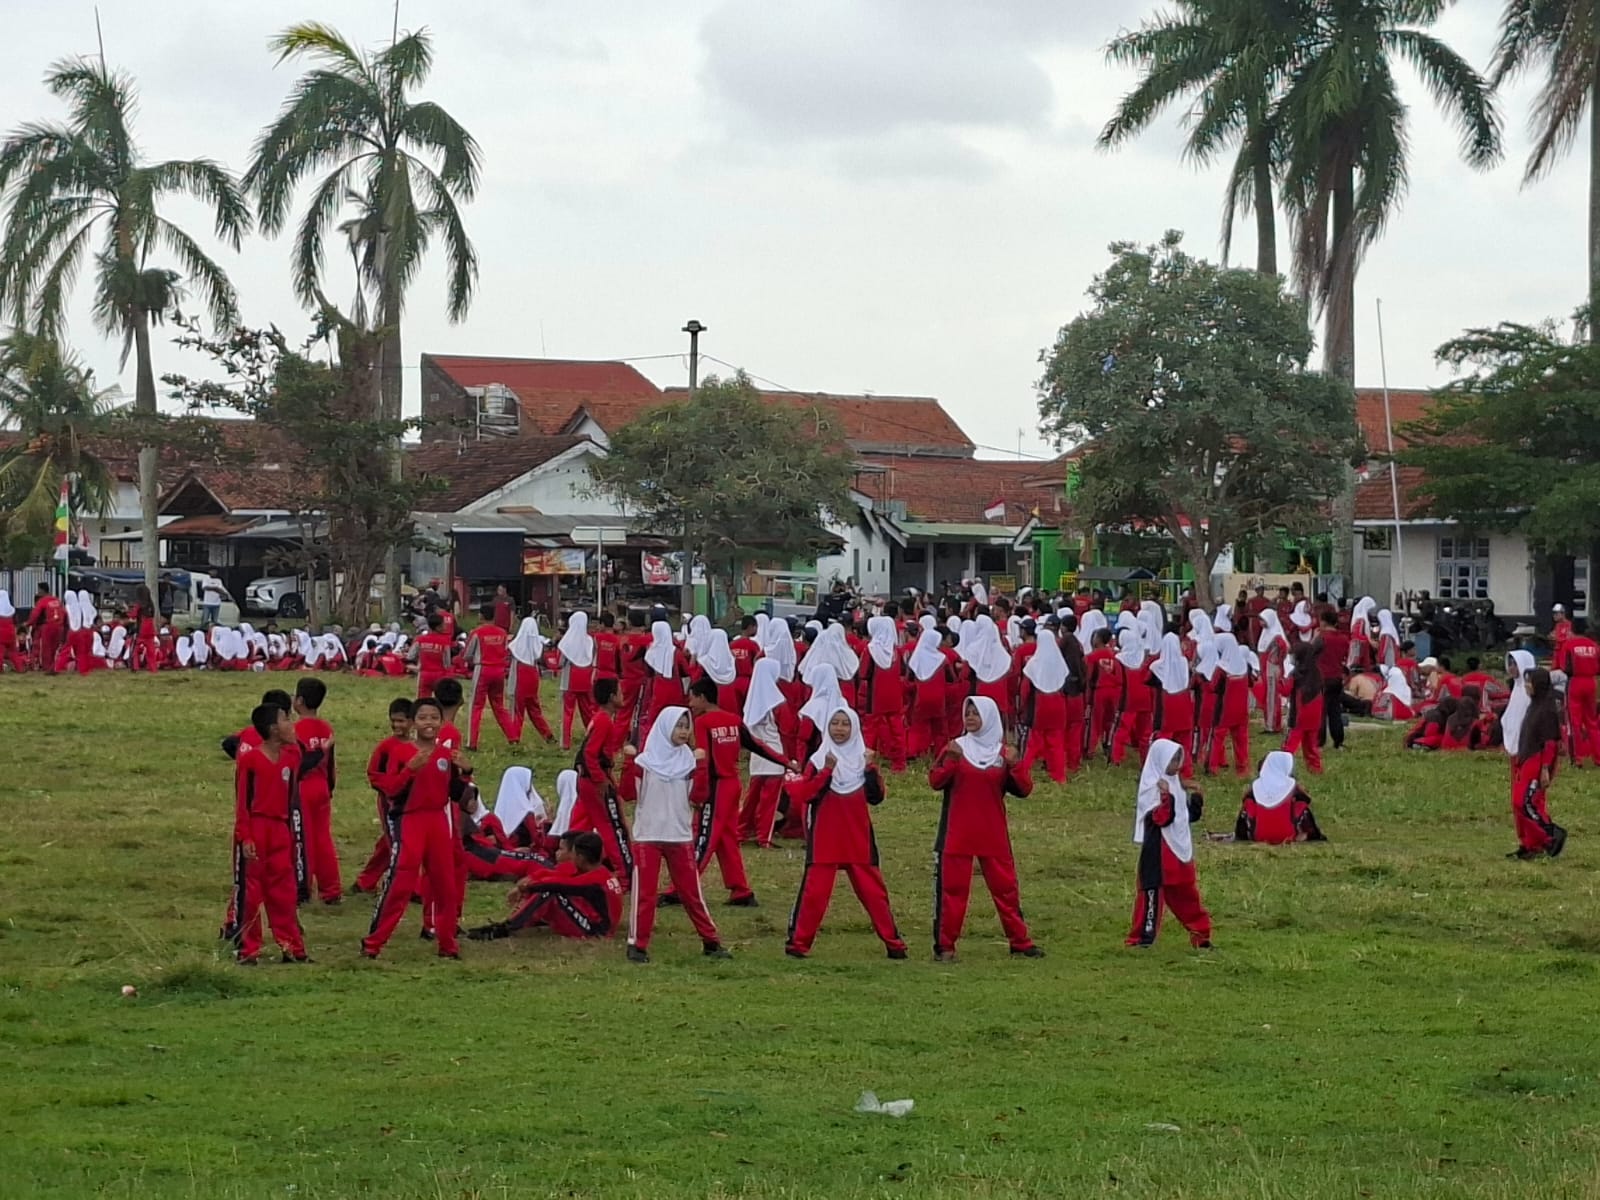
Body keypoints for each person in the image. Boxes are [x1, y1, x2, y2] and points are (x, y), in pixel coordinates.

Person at [784, 705, 908, 960]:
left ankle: (894, 944)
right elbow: (805, 795)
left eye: (845, 724)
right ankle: (798, 944)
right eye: (835, 724)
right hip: (825, 840)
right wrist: (828, 770)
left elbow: (876, 797)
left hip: (858, 839)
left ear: (854, 729)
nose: (839, 729)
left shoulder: (863, 760)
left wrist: (870, 768)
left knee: (875, 895)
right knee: (814, 896)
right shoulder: (819, 760)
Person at [928, 696, 1043, 962]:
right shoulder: (955, 748)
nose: (970, 718)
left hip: (993, 834)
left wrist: (1016, 764)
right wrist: (952, 761)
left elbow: (1024, 790)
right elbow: (935, 781)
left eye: (976, 714)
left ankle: (1020, 942)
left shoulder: (1003, 754)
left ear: (989, 718)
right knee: (953, 892)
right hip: (957, 834)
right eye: (967, 713)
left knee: (1006, 890)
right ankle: (945, 946)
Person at [621, 706, 732, 964]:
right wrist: (628, 762)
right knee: (645, 894)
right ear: (665, 727)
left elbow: (699, 797)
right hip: (648, 836)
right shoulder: (644, 763)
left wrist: (702, 765)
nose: (683, 731)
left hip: (679, 836)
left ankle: (710, 941)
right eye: (678, 726)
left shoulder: (689, 762)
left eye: (686, 726)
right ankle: (637, 944)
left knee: (692, 893)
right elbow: (628, 793)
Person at [361, 697, 463, 960]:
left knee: (445, 886)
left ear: (441, 722)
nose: (429, 723)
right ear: (413, 723)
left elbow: (454, 792)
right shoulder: (401, 752)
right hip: (410, 821)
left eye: (434, 718)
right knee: (400, 884)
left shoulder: (444, 754)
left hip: (438, 822)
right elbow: (392, 790)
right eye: (423, 718)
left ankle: (447, 944)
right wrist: (410, 769)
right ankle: (373, 943)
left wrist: (465, 770)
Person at [678, 677, 786, 906]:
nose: (690, 703)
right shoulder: (734, 720)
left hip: (715, 787)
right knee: (727, 839)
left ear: (703, 697)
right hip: (733, 785)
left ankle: (681, 887)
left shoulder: (703, 723)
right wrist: (787, 762)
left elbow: (703, 760)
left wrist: (698, 793)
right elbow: (757, 745)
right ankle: (741, 890)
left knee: (702, 838)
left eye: (692, 698)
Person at [220, 703, 310, 965]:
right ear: (273, 729)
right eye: (286, 720)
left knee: (284, 891)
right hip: (256, 827)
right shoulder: (251, 760)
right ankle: (249, 949)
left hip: (281, 829)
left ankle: (292, 947)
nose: (292, 724)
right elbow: (243, 802)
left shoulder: (291, 756)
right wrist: (245, 836)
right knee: (250, 893)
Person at [1127, 739, 1212, 949]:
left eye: (1178, 759)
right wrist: (1166, 795)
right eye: (1172, 760)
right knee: (1152, 896)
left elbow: (1185, 817)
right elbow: (1161, 818)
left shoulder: (1175, 784)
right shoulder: (1152, 787)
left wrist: (1197, 799)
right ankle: (1142, 939)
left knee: (1187, 896)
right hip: (1159, 852)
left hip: (1180, 852)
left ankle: (1201, 935)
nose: (1176, 765)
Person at [467, 830, 624, 941]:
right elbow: (556, 876)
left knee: (548, 892)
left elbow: (560, 884)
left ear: (581, 858)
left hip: (595, 932)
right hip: (599, 926)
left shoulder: (594, 879)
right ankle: (520, 920)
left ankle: (506, 928)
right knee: (547, 888)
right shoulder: (601, 873)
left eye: (574, 855)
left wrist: (527, 886)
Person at [572, 678, 632, 883]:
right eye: (620, 692)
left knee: (582, 823)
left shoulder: (599, 718)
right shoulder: (605, 720)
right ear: (612, 697)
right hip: (594, 780)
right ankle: (625, 875)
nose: (623, 695)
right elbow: (590, 753)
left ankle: (570, 865)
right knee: (613, 826)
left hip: (586, 778)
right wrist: (601, 780)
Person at [352, 697, 414, 895]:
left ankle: (365, 881)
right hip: (390, 803)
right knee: (397, 843)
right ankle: (407, 886)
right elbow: (373, 773)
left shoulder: (417, 746)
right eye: (393, 720)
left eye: (401, 721)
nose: (397, 725)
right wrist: (388, 790)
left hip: (412, 803)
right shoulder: (386, 747)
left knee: (390, 842)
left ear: (412, 721)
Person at [1506, 665, 1568, 861]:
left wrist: (1545, 770)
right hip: (1526, 758)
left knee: (1524, 802)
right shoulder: (1534, 705)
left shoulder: (1548, 710)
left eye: (1529, 682)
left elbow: (1550, 744)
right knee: (1519, 803)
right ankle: (1529, 844)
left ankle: (1550, 835)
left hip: (1537, 761)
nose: (1526, 686)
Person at [292, 676, 342, 905]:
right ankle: (331, 890)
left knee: (303, 839)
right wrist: (330, 787)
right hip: (322, 787)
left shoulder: (294, 730)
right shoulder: (326, 728)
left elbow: (295, 765)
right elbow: (331, 763)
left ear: (299, 701)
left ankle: (303, 888)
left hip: (302, 789)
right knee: (323, 839)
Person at [737, 658, 795, 847]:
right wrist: (789, 758)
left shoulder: (753, 699)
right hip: (775, 755)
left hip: (757, 755)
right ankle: (764, 837)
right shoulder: (777, 701)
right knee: (769, 800)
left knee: (751, 798)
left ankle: (741, 831)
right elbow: (786, 731)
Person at [1235, 751, 1325, 843]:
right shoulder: (1291, 784)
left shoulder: (1257, 784)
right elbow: (1307, 799)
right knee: (1300, 805)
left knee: (1248, 804)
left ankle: (1242, 835)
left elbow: (1245, 798)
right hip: (1288, 834)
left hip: (1258, 836)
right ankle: (1310, 834)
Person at [1020, 622, 1070, 783]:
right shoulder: (1060, 663)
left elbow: (1025, 689)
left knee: (1033, 742)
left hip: (1040, 706)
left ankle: (1023, 772)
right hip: (1058, 705)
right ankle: (1059, 776)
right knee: (1056, 743)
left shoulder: (1034, 664)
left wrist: (1022, 708)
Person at [859, 615, 908, 771]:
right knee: (897, 730)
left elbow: (863, 673)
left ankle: (867, 763)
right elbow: (902, 671)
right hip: (894, 696)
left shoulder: (870, 650)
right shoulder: (896, 651)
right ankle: (899, 764)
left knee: (870, 730)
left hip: (875, 697)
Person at [463, 615, 517, 750]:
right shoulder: (502, 633)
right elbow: (506, 651)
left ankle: (472, 743)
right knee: (499, 706)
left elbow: (467, 654)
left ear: (481, 616)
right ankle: (513, 737)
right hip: (499, 670)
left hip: (483, 669)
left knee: (476, 706)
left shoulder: (477, 632)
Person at [1150, 632, 1195, 779]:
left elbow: (1147, 679)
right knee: (1184, 742)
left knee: (1164, 740)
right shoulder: (1184, 662)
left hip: (1168, 704)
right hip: (1184, 702)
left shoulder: (1157, 666)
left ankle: (1159, 768)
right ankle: (1186, 770)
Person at [904, 626, 953, 761]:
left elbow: (908, 679)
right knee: (940, 729)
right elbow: (952, 678)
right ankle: (941, 753)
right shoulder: (943, 659)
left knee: (918, 727)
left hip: (920, 698)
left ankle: (914, 752)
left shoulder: (915, 658)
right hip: (939, 699)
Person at [1206, 633, 1251, 776]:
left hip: (1224, 709)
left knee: (1217, 738)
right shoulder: (1244, 664)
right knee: (1241, 739)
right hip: (1241, 709)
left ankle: (1212, 766)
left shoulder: (1222, 668)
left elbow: (1213, 687)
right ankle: (1242, 767)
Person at [507, 615, 555, 745]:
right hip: (533, 674)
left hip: (521, 675)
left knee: (517, 710)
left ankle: (514, 737)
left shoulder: (516, 645)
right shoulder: (537, 645)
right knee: (534, 709)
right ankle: (548, 734)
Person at [1555, 629, 1599, 766]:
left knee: (1575, 722)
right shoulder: (1594, 646)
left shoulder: (1569, 645)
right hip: (1591, 682)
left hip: (1575, 683)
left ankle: (1577, 758)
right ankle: (1598, 757)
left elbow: (1565, 668)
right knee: (1593, 722)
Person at [1110, 628, 1153, 766]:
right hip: (1146, 700)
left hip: (1128, 699)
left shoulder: (1119, 660)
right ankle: (1145, 760)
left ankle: (1116, 757)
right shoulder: (1145, 658)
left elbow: (1116, 680)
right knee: (1145, 733)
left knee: (1122, 729)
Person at [556, 611, 597, 749]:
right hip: (585, 679)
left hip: (570, 679)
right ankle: (593, 736)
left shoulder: (566, 641)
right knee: (587, 712)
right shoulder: (590, 640)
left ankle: (565, 742)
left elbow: (560, 662)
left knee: (567, 712)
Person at [1282, 642, 1324, 774]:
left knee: (1290, 746)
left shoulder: (1296, 674)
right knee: (1311, 745)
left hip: (1299, 716)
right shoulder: (1317, 673)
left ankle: (1283, 769)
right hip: (1315, 716)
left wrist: (1280, 680)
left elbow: (1285, 691)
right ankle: (1316, 769)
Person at [1315, 608, 1350, 751]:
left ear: (1323, 621)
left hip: (1322, 677)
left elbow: (1310, 653)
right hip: (1337, 678)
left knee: (1320, 711)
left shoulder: (1321, 637)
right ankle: (1338, 741)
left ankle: (1319, 741)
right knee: (1335, 710)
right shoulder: (1343, 639)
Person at [1256, 609, 1290, 734]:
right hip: (1265, 669)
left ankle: (1273, 725)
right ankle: (1269, 723)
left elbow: (1284, 650)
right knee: (1268, 696)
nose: (1261, 623)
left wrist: (1276, 662)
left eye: (1263, 620)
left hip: (1271, 669)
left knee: (1272, 696)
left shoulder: (1276, 636)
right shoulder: (1265, 633)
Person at [413, 612, 453, 699]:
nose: (445, 627)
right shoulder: (445, 641)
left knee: (422, 700)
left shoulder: (420, 639)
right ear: (438, 627)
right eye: (443, 625)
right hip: (440, 674)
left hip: (424, 674)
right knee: (442, 700)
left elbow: (410, 656)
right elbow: (447, 662)